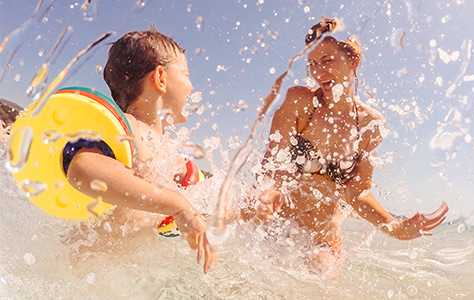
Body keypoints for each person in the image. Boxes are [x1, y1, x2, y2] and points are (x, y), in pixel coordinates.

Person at [249, 17, 448, 273]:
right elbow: (273, 162)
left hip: (323, 241)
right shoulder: (300, 103)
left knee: (325, 278)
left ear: (353, 61)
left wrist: (394, 227)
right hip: (275, 229)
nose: (318, 71)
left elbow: (358, 192)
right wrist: (271, 189)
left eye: (327, 61)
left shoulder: (370, 124)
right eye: (312, 64)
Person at [65, 27, 215, 273]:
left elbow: (202, 204)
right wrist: (177, 204)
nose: (191, 87)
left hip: (118, 276)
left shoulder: (173, 157)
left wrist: (248, 209)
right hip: (82, 271)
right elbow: (81, 169)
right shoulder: (129, 129)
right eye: (186, 74)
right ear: (160, 79)